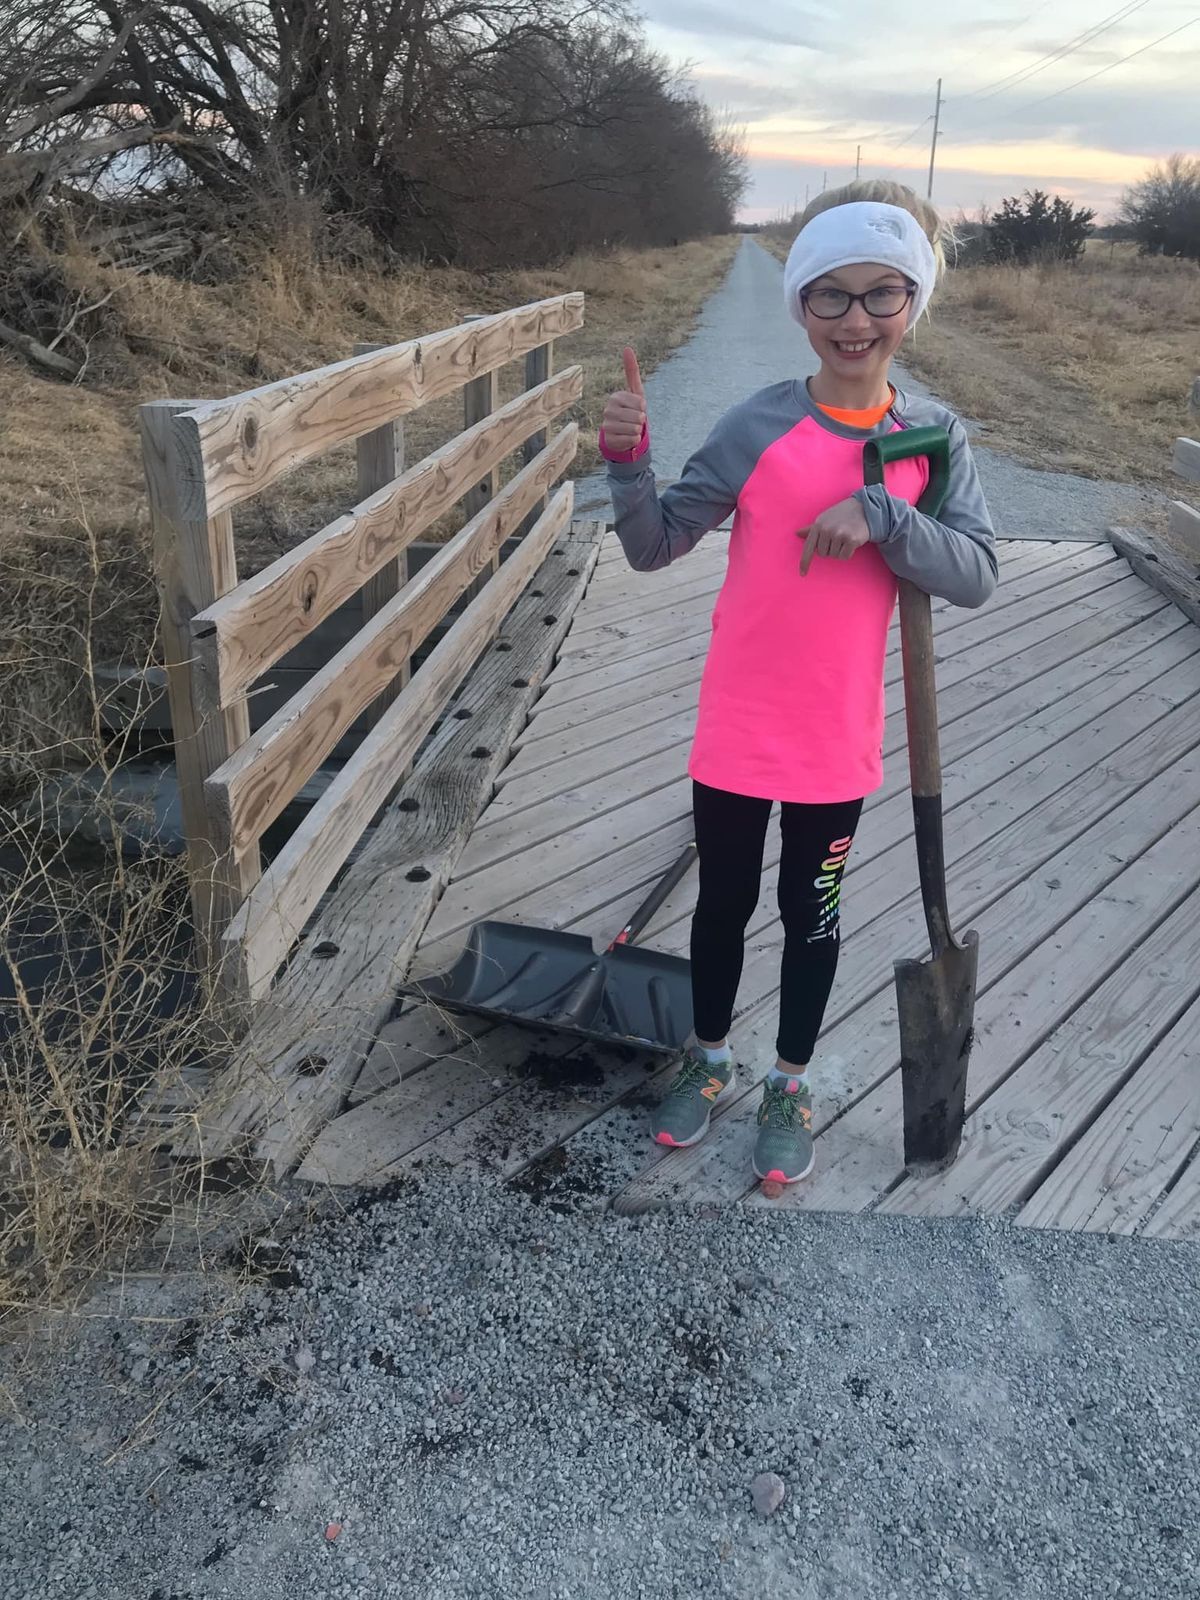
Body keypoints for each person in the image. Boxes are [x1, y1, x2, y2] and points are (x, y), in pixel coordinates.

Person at [598, 180, 998, 1186]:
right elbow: (653, 545)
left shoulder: (933, 441)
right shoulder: (755, 426)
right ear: (801, 306)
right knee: (723, 904)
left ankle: (789, 1079)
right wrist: (626, 462)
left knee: (812, 913)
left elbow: (979, 574)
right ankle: (710, 1058)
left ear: (913, 302)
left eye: (882, 294)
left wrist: (888, 517)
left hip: (833, 739)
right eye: (832, 296)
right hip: (739, 725)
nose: (856, 320)